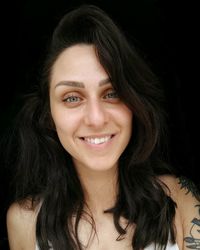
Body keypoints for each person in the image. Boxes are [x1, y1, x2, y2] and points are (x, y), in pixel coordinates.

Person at [6, 4, 200, 250]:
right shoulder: (24, 222)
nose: (96, 119)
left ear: (134, 104)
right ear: (48, 114)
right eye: (72, 98)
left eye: (112, 93)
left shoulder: (180, 200)